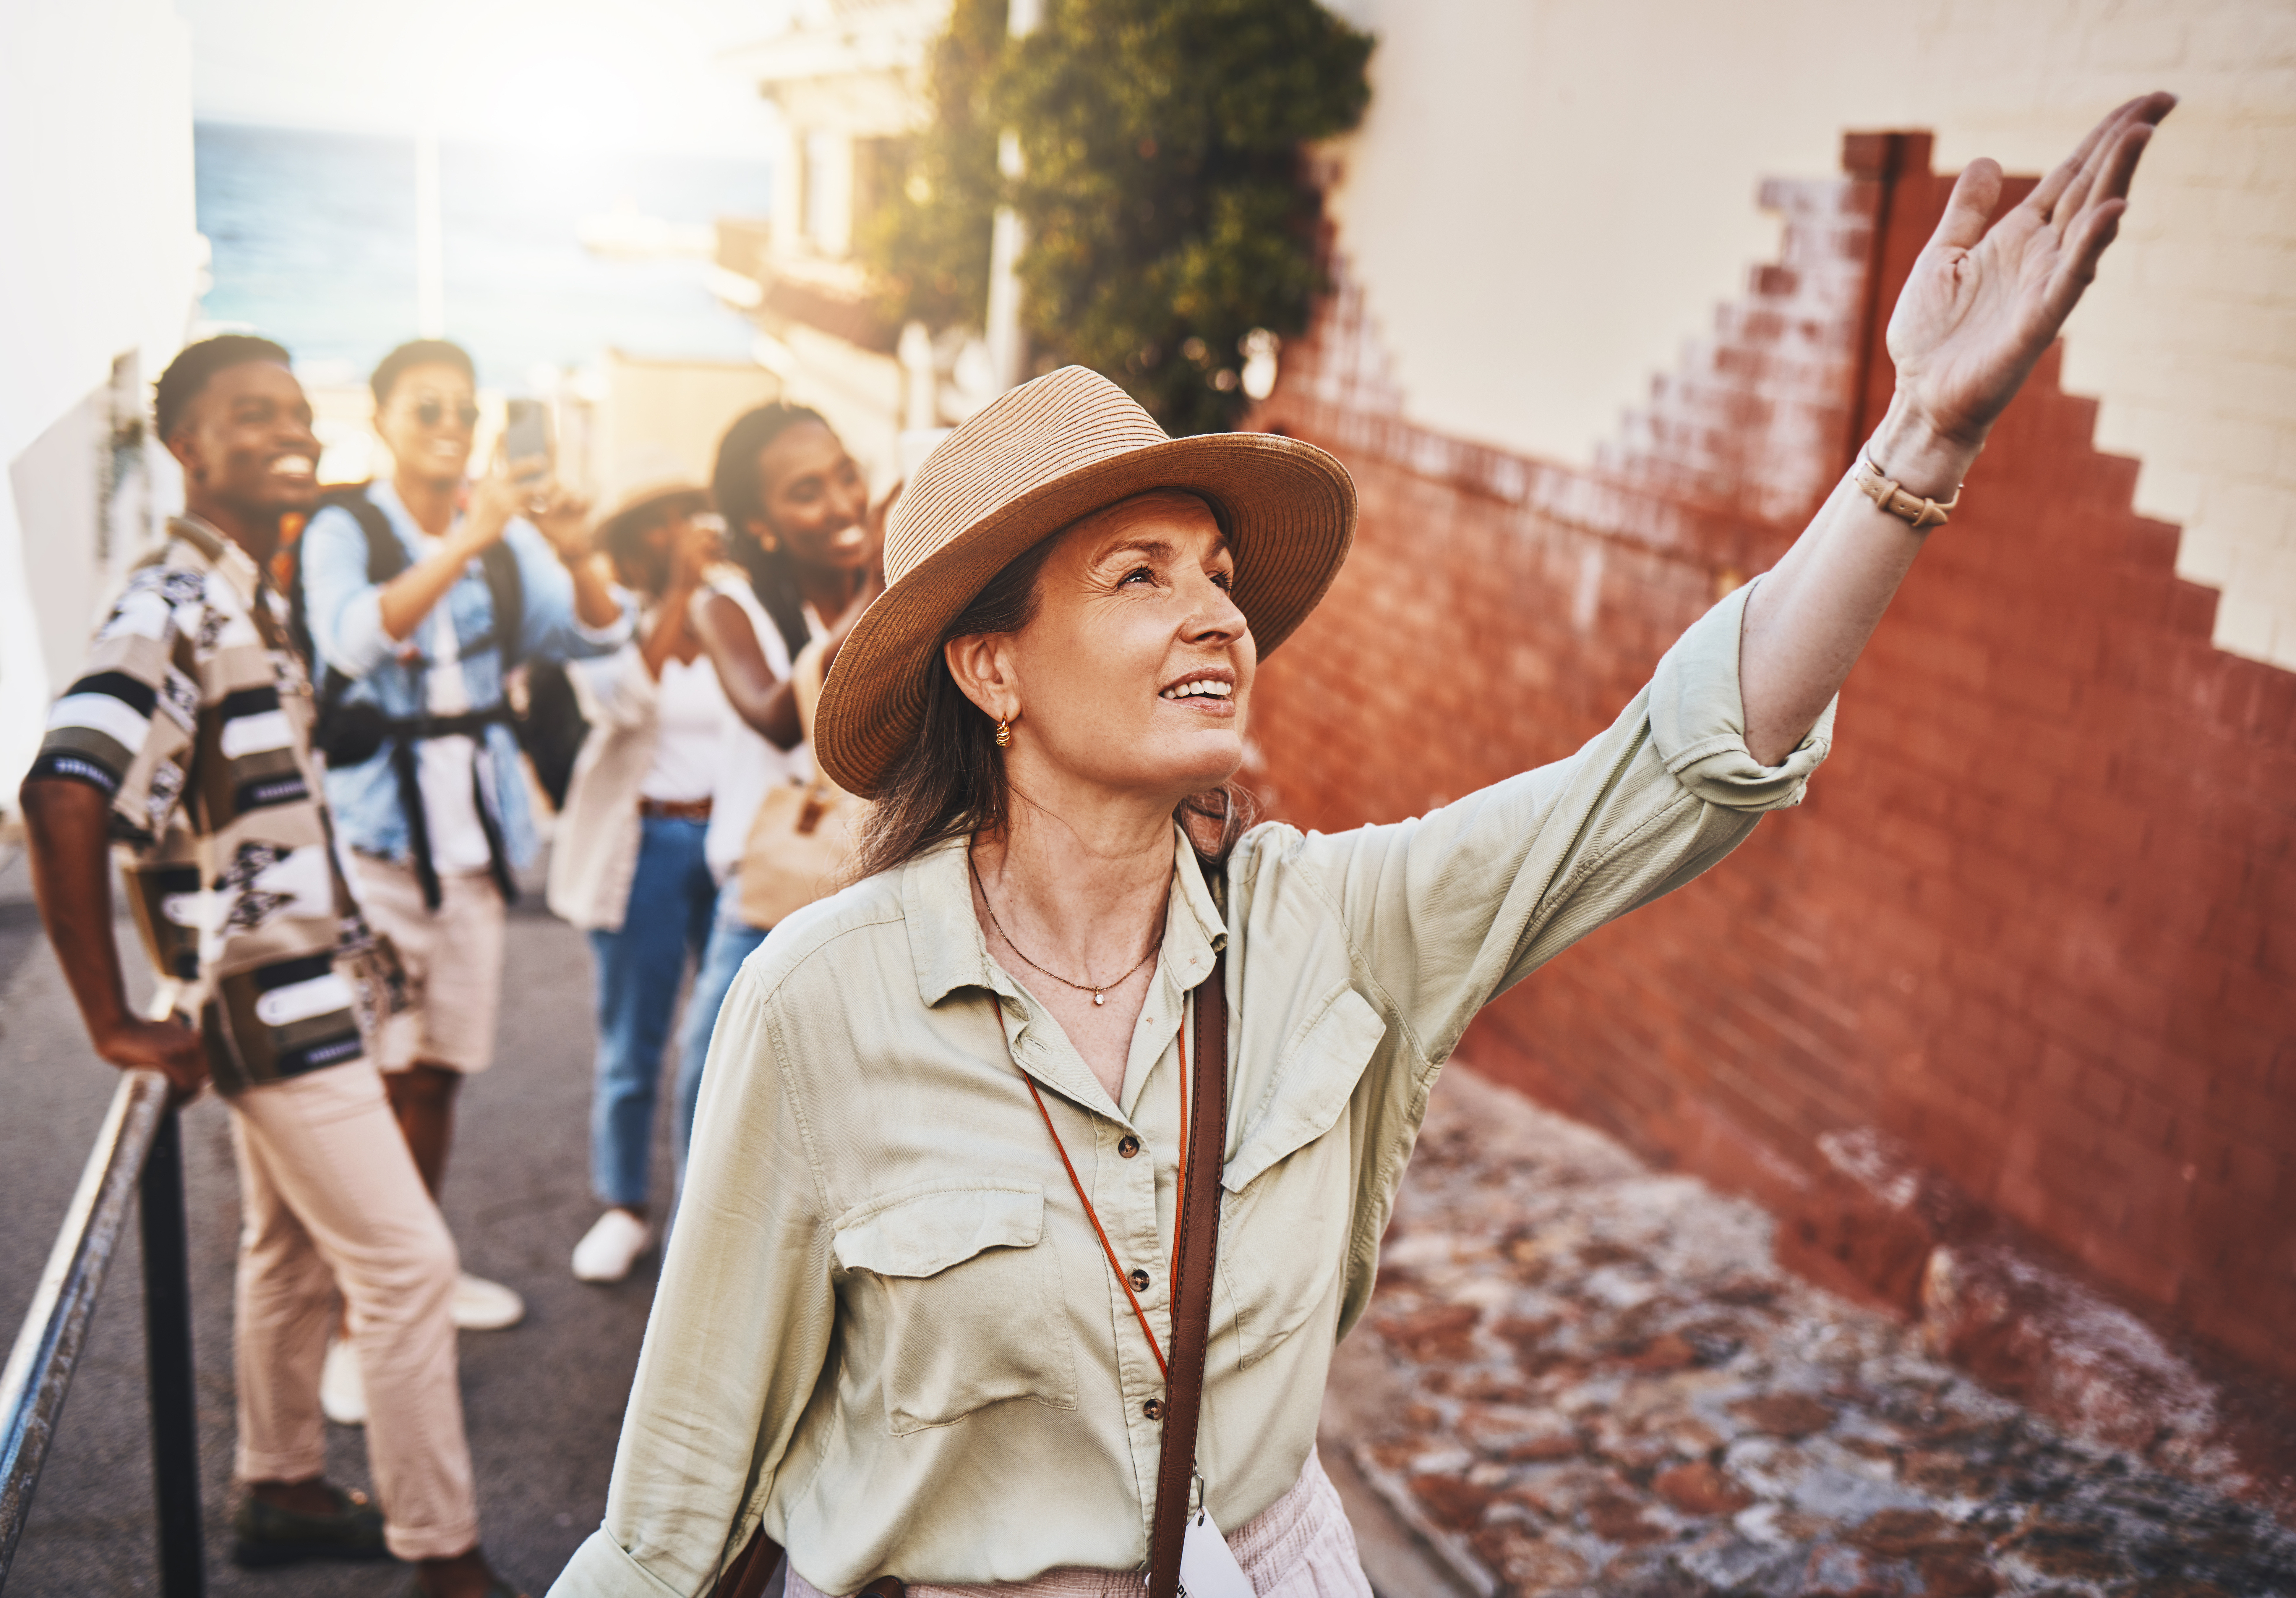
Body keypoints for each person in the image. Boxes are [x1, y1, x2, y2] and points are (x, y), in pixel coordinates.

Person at [551, 95, 2174, 1598]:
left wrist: (1915, 450)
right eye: (1137, 576)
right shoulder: (820, 1007)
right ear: (989, 669)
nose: (1215, 613)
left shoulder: (1329, 927)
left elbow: (1666, 771)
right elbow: (672, 1507)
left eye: (1216, 574)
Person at [20, 335, 524, 1598]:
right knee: (406, 1268)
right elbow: (67, 789)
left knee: (289, 1249)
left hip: (307, 991)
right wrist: (115, 1020)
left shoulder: (253, 593)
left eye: (299, 412)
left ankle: (281, 1483)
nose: (288, 431)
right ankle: (443, 1557)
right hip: (271, 1006)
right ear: (186, 446)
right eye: (250, 415)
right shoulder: (173, 603)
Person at [299, 339, 632, 1395]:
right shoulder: (344, 529)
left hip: (475, 848)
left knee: (438, 1070)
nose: (449, 425)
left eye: (462, 409)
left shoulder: (505, 539)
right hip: (377, 845)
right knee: (376, 1080)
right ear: (384, 419)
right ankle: (364, 1322)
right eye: (425, 408)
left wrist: (574, 551)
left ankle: (418, 1272)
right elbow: (352, 639)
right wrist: (473, 536)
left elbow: (597, 641)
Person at [666, 405, 882, 1193]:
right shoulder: (726, 607)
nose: (841, 504)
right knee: (714, 1102)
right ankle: (699, 1287)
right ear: (758, 523)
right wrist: (883, 587)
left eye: (846, 476)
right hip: (768, 901)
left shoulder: (901, 593)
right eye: (806, 492)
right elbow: (775, 711)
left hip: (878, 890)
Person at [546, 483, 734, 1282]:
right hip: (647, 841)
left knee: (727, 1037)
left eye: (683, 514)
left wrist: (708, 591)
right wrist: (683, 591)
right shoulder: (605, 614)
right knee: (634, 1042)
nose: (676, 530)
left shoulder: (737, 607)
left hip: (731, 842)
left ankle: (715, 1212)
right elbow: (627, 702)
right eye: (657, 519)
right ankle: (623, 1206)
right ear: (632, 536)